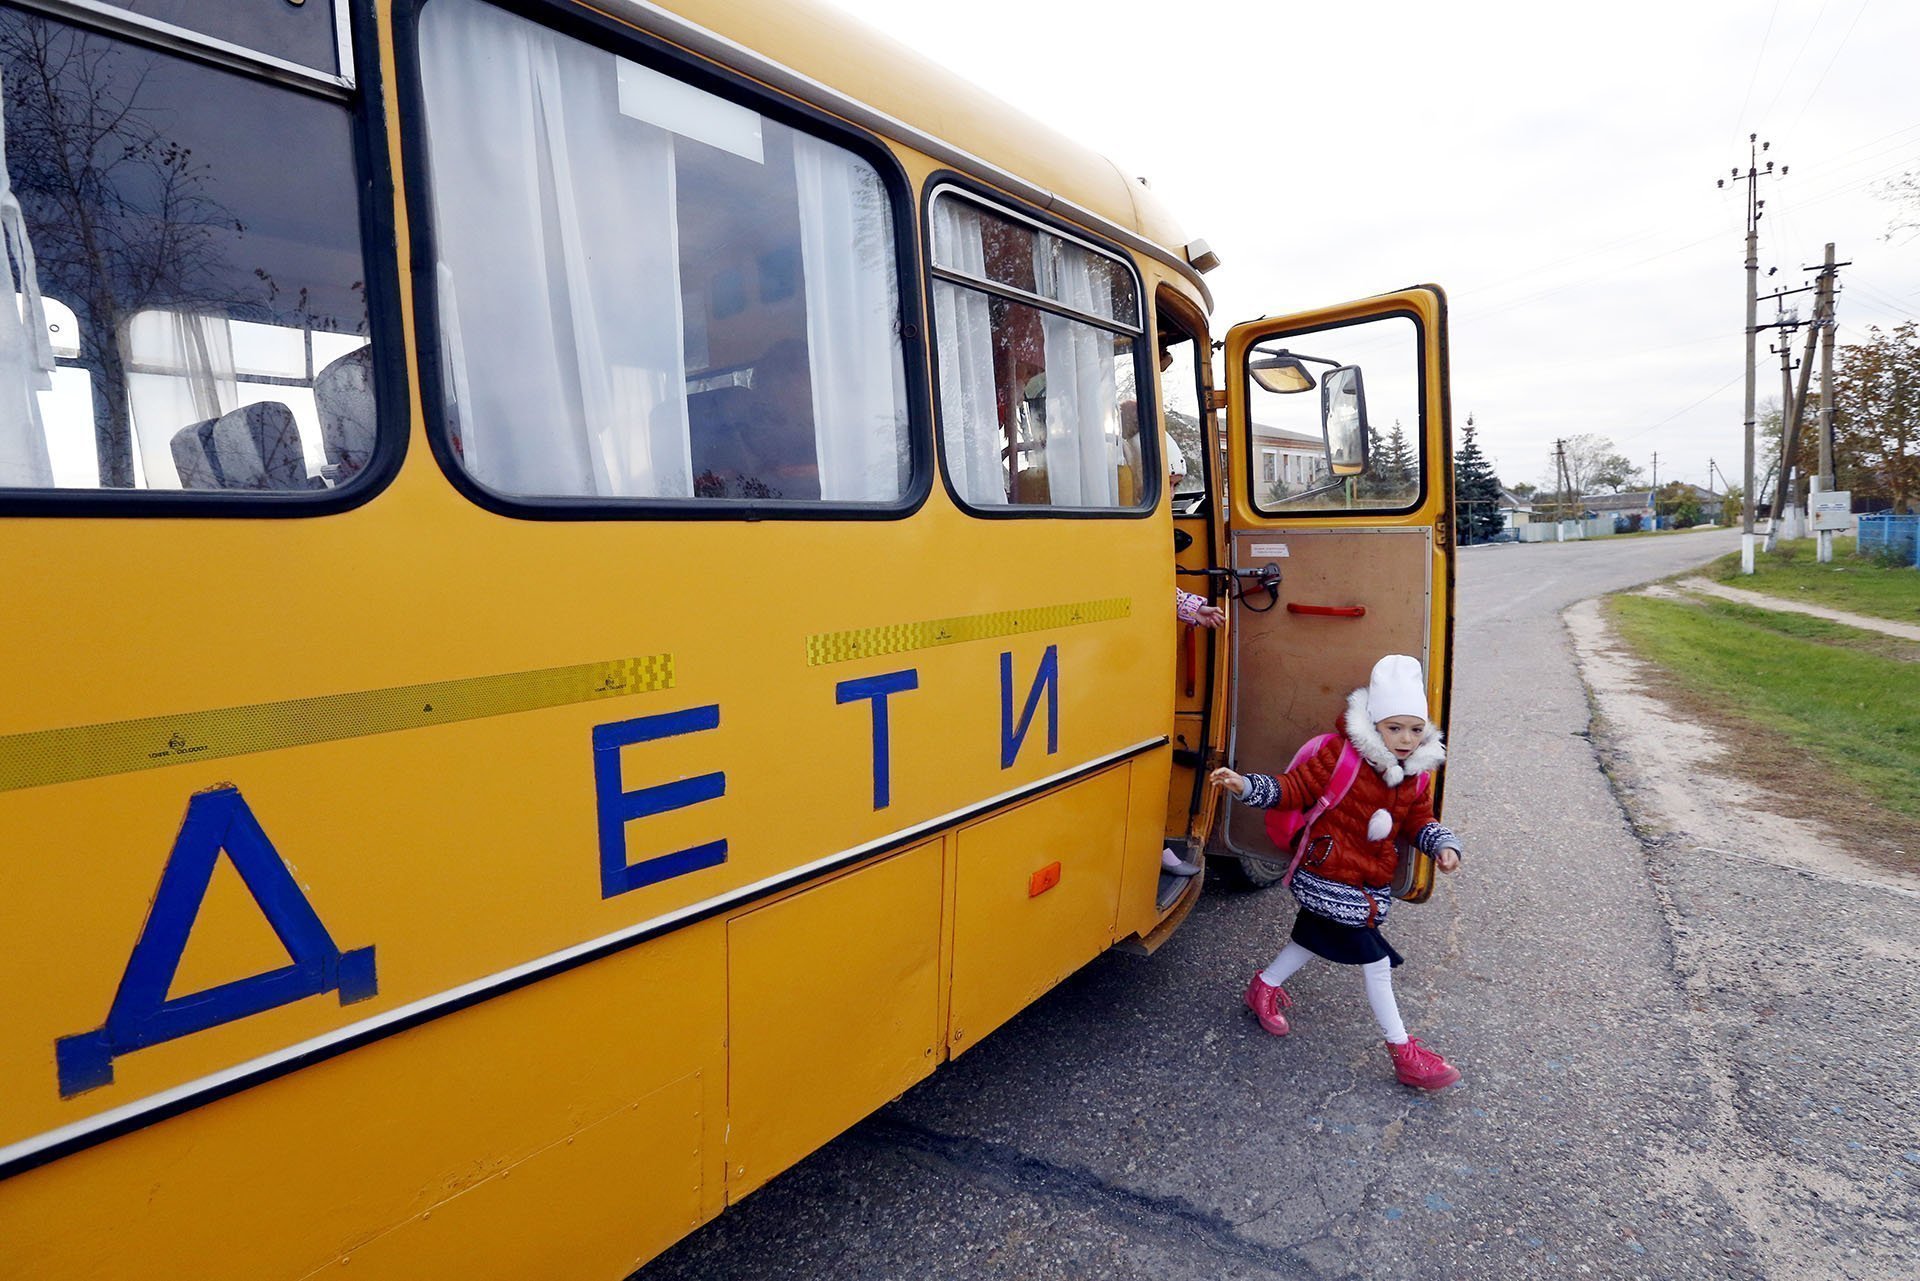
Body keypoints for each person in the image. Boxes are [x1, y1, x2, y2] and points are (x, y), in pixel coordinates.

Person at [1207, 654, 1466, 1090]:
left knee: (1310, 938)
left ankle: (1263, 986)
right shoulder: (1339, 755)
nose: (1405, 739)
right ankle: (1404, 1055)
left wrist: (1442, 844)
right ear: (1375, 723)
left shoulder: (1415, 776)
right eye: (1394, 728)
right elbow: (1296, 788)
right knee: (1377, 961)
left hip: (1368, 881)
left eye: (1415, 730)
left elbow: (1418, 821)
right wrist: (1247, 786)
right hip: (1328, 873)